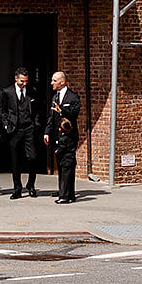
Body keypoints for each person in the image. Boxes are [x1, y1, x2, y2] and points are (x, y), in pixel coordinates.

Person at [0, 66, 39, 198]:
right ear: (16, 78)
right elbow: (3, 111)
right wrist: (7, 125)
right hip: (14, 130)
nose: (24, 84)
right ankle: (17, 188)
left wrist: (36, 123)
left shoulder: (32, 91)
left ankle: (31, 185)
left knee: (32, 157)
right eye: (22, 81)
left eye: (26, 81)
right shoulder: (7, 92)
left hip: (29, 128)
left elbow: (36, 110)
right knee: (15, 160)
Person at [43, 70, 81, 203]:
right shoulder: (55, 97)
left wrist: (62, 111)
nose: (51, 83)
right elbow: (51, 117)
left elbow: (74, 114)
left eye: (54, 80)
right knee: (61, 164)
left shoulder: (73, 97)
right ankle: (65, 192)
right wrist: (47, 132)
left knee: (67, 164)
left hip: (69, 137)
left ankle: (65, 196)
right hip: (57, 136)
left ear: (62, 82)